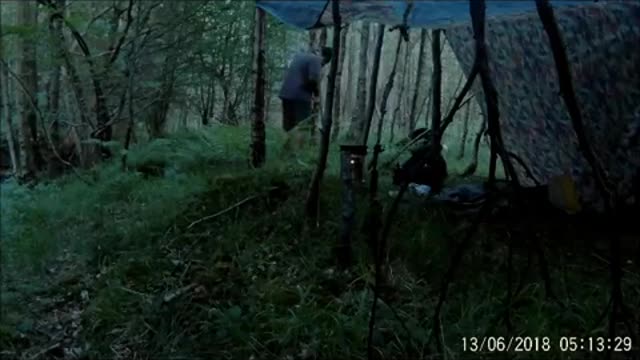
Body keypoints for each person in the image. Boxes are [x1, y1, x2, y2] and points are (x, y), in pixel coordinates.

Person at [279, 47, 333, 150]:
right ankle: (299, 151)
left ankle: (286, 151)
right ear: (325, 59)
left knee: (288, 125)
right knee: (303, 125)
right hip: (300, 96)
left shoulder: (300, 56)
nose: (322, 66)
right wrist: (316, 95)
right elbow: (313, 79)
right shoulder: (316, 59)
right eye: (324, 64)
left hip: (286, 94)